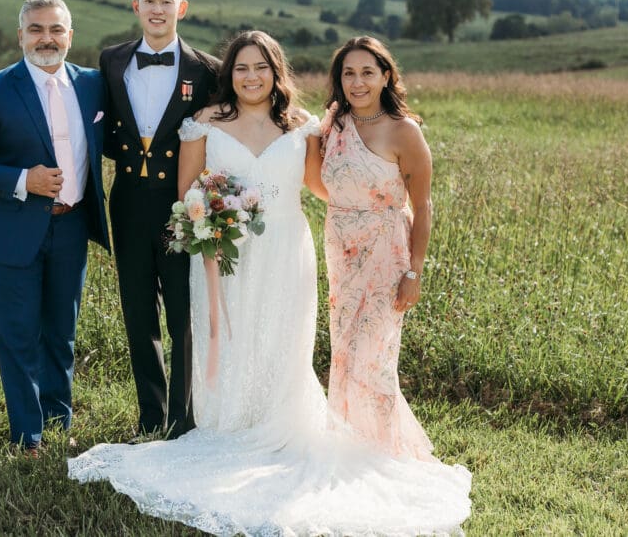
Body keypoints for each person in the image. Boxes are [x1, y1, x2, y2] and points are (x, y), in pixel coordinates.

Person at [69, 31, 471, 536]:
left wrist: (379, 221)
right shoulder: (203, 125)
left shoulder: (303, 127)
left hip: (286, 248)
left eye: (261, 66)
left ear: (275, 71)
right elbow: (188, 193)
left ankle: (290, 424)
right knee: (230, 340)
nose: (251, 76)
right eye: (241, 68)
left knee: (284, 341)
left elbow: (323, 186)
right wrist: (211, 221)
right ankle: (225, 422)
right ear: (228, 74)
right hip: (225, 252)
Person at [0, 0, 109, 456]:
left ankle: (58, 426)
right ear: (20, 35)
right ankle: (27, 438)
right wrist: (23, 179)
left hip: (72, 227)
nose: (46, 38)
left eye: (56, 29)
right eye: (36, 29)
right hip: (10, 233)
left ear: (70, 36)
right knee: (18, 336)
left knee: (62, 335)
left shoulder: (93, 85)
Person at [101, 0, 218, 438]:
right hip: (128, 201)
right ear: (136, 6)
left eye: (166, 1)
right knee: (137, 313)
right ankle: (151, 417)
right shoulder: (111, 61)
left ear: (181, 9)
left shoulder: (205, 70)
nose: (157, 8)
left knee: (183, 315)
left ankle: (182, 420)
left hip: (181, 205)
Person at [321, 36, 436, 459]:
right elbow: (326, 184)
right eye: (348, 73)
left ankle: (382, 452)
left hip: (388, 255)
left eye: (368, 72)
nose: (357, 82)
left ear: (386, 76)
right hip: (341, 252)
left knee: (374, 357)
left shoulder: (405, 131)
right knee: (345, 352)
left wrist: (414, 271)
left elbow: (422, 205)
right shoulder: (333, 123)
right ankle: (345, 443)